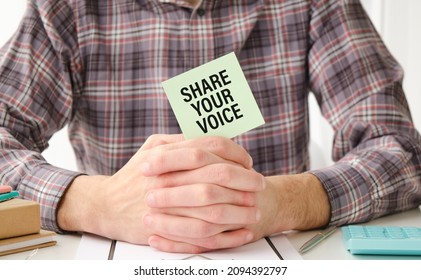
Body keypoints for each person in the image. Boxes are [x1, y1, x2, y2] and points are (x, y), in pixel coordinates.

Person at [1, 0, 420, 254]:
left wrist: (285, 202)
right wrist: (96, 203)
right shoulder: (65, 9)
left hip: (278, 255)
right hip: (127, 257)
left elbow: (400, 149)